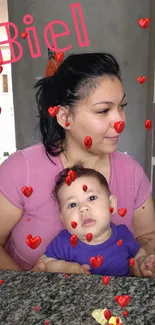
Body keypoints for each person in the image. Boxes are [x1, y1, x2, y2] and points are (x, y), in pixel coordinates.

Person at [0, 52, 155, 274]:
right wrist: (27, 291)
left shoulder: (131, 172)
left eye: (122, 106)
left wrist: (145, 262)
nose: (120, 120)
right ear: (65, 118)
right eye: (103, 110)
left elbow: (147, 236)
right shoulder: (20, 170)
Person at [36, 165, 155, 276]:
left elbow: (139, 254)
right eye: (72, 205)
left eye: (91, 198)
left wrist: (143, 264)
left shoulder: (122, 235)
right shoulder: (63, 242)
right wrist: (65, 268)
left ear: (111, 204)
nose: (83, 208)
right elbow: (43, 264)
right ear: (63, 219)